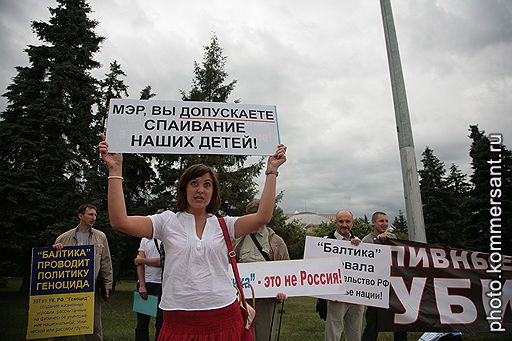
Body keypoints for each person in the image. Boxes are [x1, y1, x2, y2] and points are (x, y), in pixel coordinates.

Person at [99, 133, 287, 340]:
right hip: (178, 321)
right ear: (184, 188)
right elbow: (120, 221)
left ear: (213, 192)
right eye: (194, 183)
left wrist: (272, 171)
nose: (200, 190)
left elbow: (263, 216)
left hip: (225, 317)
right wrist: (115, 170)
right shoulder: (166, 221)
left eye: (207, 184)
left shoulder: (225, 224)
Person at [52, 203, 113, 341]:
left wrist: (108, 286)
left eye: (95, 215)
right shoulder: (63, 238)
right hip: (68, 290)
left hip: (91, 288)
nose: (94, 217)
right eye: (90, 214)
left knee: (94, 327)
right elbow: (54, 263)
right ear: (81, 216)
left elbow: (106, 263)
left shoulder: (100, 237)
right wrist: (55, 250)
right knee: (63, 326)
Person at [234, 199, 290, 341]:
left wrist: (284, 290)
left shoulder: (277, 242)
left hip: (267, 299)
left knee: (265, 335)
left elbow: (287, 271)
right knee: (241, 334)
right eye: (252, 215)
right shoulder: (236, 240)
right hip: (241, 299)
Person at [361, 211, 406, 341]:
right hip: (376, 289)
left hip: (393, 286)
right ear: (373, 223)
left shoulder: (393, 237)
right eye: (381, 221)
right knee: (373, 322)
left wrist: (389, 242)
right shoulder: (366, 240)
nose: (384, 224)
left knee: (399, 322)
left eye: (386, 221)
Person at [324, 210, 363, 341]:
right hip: (336, 295)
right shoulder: (326, 242)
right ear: (336, 223)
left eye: (347, 221)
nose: (344, 225)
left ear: (352, 223)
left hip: (356, 296)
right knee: (333, 332)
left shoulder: (360, 243)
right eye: (341, 221)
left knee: (355, 331)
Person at [134, 237, 164, 341]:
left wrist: (142, 260)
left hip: (161, 285)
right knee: (142, 323)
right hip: (145, 284)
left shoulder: (166, 238)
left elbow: (162, 261)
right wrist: (142, 285)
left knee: (161, 322)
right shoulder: (145, 239)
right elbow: (138, 264)